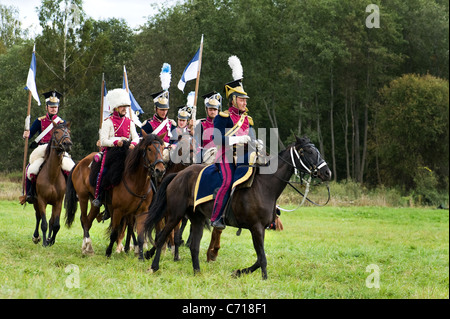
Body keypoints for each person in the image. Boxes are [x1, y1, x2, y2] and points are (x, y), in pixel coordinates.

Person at [211, 73, 256, 229]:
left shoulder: (247, 119)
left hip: (245, 156)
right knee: (228, 181)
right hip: (226, 155)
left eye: (245, 100)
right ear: (233, 100)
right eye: (242, 99)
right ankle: (216, 217)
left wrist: (258, 144)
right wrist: (237, 140)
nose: (245, 103)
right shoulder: (222, 117)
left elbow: (252, 138)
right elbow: (217, 139)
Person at [20, 90, 75, 204]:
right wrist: (26, 134)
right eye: (51, 107)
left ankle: (73, 194)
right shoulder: (39, 121)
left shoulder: (61, 122)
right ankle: (30, 193)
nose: (53, 109)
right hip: (42, 150)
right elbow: (30, 134)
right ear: (47, 107)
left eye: (55, 107)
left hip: (58, 151)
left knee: (72, 169)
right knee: (30, 169)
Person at [92, 88, 140, 207]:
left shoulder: (130, 122)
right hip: (112, 152)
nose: (124, 108)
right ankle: (99, 196)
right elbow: (103, 141)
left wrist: (133, 144)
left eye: (125, 106)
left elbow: (136, 137)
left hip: (127, 151)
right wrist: (115, 142)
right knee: (103, 171)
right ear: (115, 107)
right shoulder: (107, 122)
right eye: (121, 106)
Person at [195, 91, 221, 164]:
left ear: (218, 110)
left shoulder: (223, 123)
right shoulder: (201, 124)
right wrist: (191, 127)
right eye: (210, 109)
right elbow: (193, 138)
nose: (212, 112)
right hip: (205, 153)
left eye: (215, 109)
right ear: (207, 110)